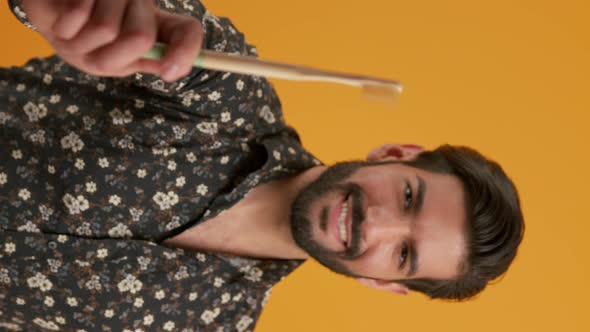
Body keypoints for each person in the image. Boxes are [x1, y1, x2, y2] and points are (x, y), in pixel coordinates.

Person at [0, 0, 525, 331]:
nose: (377, 222)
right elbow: (118, 15)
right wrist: (78, 11)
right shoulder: (231, 91)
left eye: (404, 252)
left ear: (385, 285)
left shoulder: (214, 324)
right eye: (409, 197)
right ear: (394, 155)